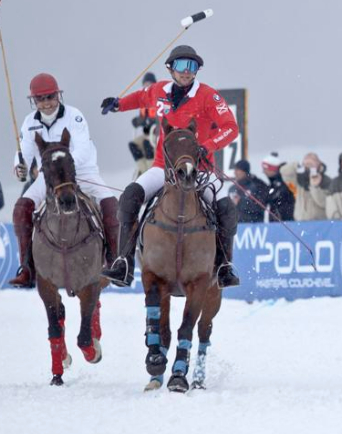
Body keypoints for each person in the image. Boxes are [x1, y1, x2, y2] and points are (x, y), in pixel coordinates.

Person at [99, 45, 241, 287]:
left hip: (200, 171)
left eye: (192, 66)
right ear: (170, 69)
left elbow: (231, 127)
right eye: (181, 66)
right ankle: (124, 263)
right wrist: (118, 104)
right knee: (130, 196)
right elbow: (141, 97)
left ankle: (223, 266)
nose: (186, 71)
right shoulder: (159, 90)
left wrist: (206, 146)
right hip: (163, 168)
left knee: (226, 208)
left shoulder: (208, 95)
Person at [6, 73, 120, 288]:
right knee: (21, 208)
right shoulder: (29, 123)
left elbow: (83, 149)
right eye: (40, 99)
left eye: (50, 97)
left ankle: (114, 261)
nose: (46, 103)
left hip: (81, 172)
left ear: (58, 96)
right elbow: (24, 153)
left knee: (111, 203)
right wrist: (20, 169)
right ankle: (27, 267)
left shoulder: (74, 116)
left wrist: (63, 164)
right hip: (49, 178)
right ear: (34, 101)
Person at [128, 72, 158, 177]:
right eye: (145, 84)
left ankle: (151, 171)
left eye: (149, 84)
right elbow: (142, 118)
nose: (147, 86)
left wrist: (151, 121)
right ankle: (143, 170)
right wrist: (137, 121)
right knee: (133, 145)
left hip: (157, 134)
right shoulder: (143, 101)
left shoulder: (158, 99)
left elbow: (161, 117)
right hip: (147, 134)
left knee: (147, 143)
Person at [293, 152, 331, 221]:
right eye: (306, 164)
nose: (309, 167)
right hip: (300, 221)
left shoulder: (326, 181)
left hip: (320, 222)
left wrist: (314, 187)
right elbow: (284, 172)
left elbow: (324, 203)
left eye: (311, 164)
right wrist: (296, 165)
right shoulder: (299, 179)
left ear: (318, 163)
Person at [231, 159, 269, 223]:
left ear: (244, 172)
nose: (235, 172)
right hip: (236, 226)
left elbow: (261, 207)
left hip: (254, 225)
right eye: (235, 170)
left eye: (237, 170)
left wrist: (241, 202)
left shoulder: (257, 186)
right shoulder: (232, 188)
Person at [261, 152, 295, 222]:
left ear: (272, 169)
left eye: (265, 169)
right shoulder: (273, 184)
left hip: (287, 222)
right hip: (278, 222)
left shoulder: (285, 182)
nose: (263, 172)